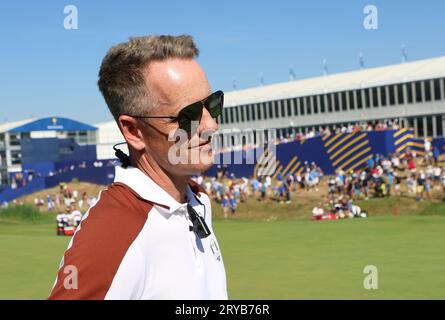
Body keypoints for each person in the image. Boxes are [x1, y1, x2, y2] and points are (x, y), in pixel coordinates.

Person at [49, 35, 227, 300]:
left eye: (212, 104)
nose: (211, 125)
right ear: (133, 131)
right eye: (188, 115)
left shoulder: (197, 198)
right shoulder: (111, 232)